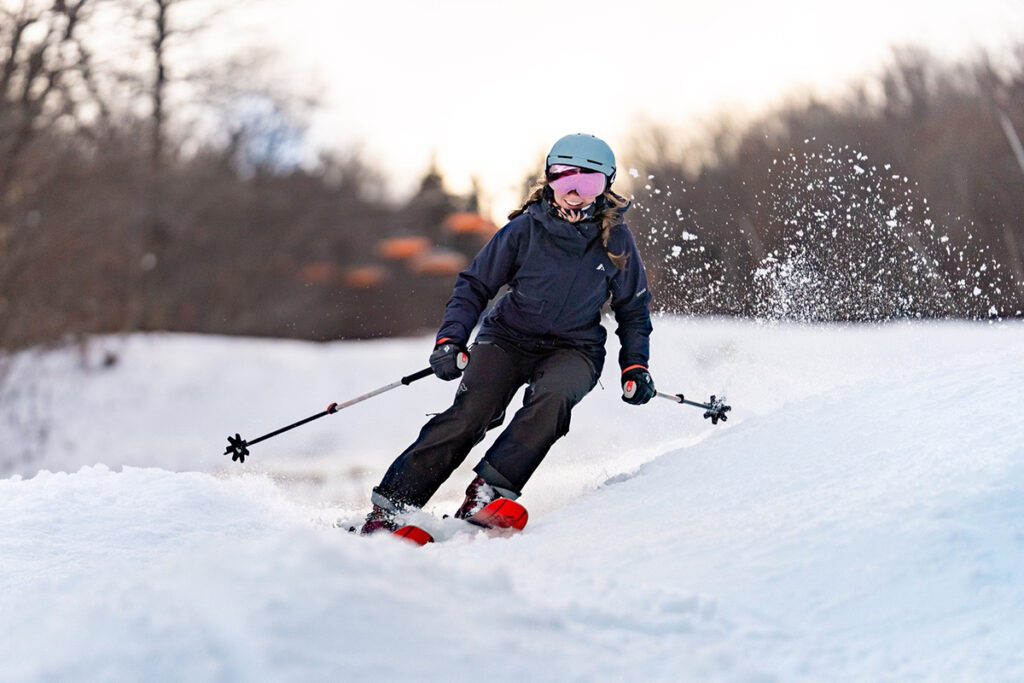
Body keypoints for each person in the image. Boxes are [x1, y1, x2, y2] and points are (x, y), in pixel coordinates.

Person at [360, 133, 655, 534]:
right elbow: (475, 285)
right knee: (471, 414)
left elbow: (633, 309)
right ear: (550, 178)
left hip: (575, 348)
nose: (574, 191)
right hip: (507, 338)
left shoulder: (616, 240)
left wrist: (635, 365)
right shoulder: (524, 230)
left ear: (606, 186)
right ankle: (391, 508)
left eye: (588, 182)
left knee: (553, 398)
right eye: (565, 177)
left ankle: (487, 493)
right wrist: (450, 339)